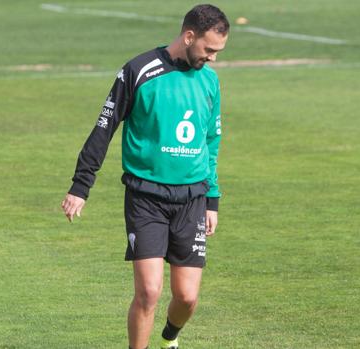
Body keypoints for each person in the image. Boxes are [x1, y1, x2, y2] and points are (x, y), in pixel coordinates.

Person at [61, 4, 229, 349]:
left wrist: (212, 199)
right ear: (189, 36)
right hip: (146, 197)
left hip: (193, 199)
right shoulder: (138, 71)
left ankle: (170, 338)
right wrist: (81, 186)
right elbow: (104, 128)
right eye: (209, 49)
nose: (212, 58)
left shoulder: (210, 82)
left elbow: (211, 143)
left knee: (187, 298)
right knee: (149, 291)